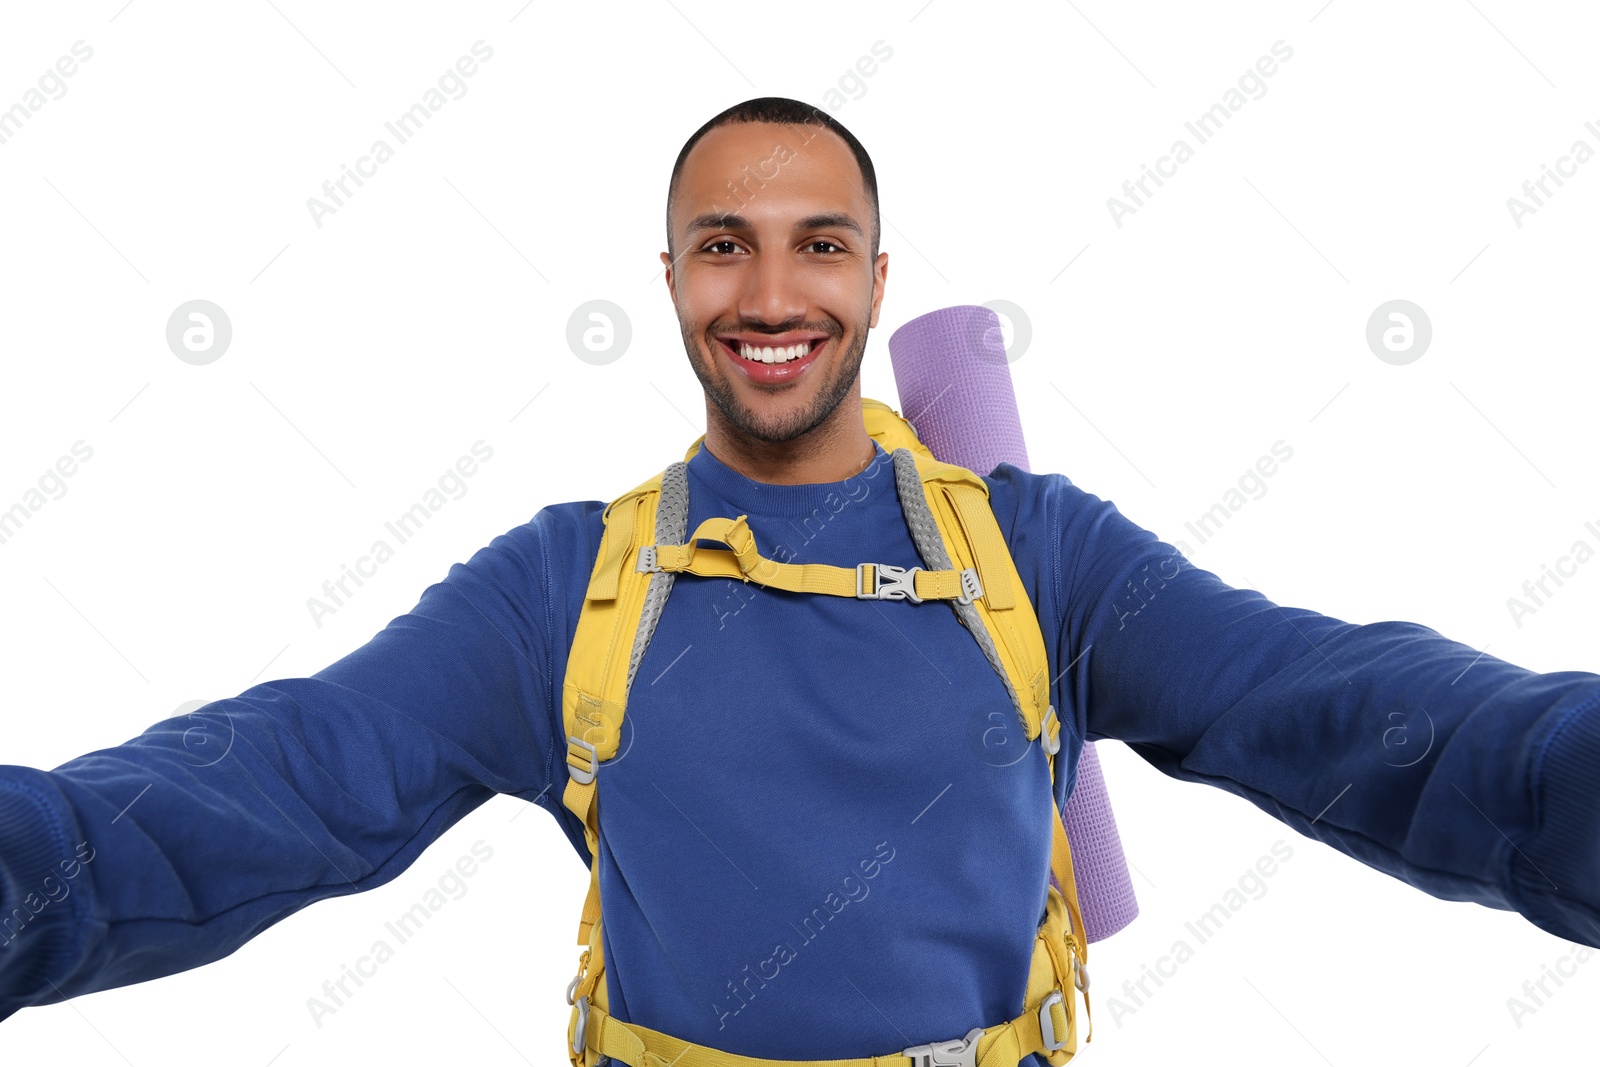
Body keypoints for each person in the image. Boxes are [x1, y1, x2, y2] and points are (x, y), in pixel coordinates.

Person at [2, 97, 1597, 1067]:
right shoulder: (561, 591)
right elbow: (266, 788)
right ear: (674, 279)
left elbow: (1358, 720)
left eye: (821, 245)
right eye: (725, 245)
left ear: (880, 280)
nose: (772, 294)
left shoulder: (1039, 558)